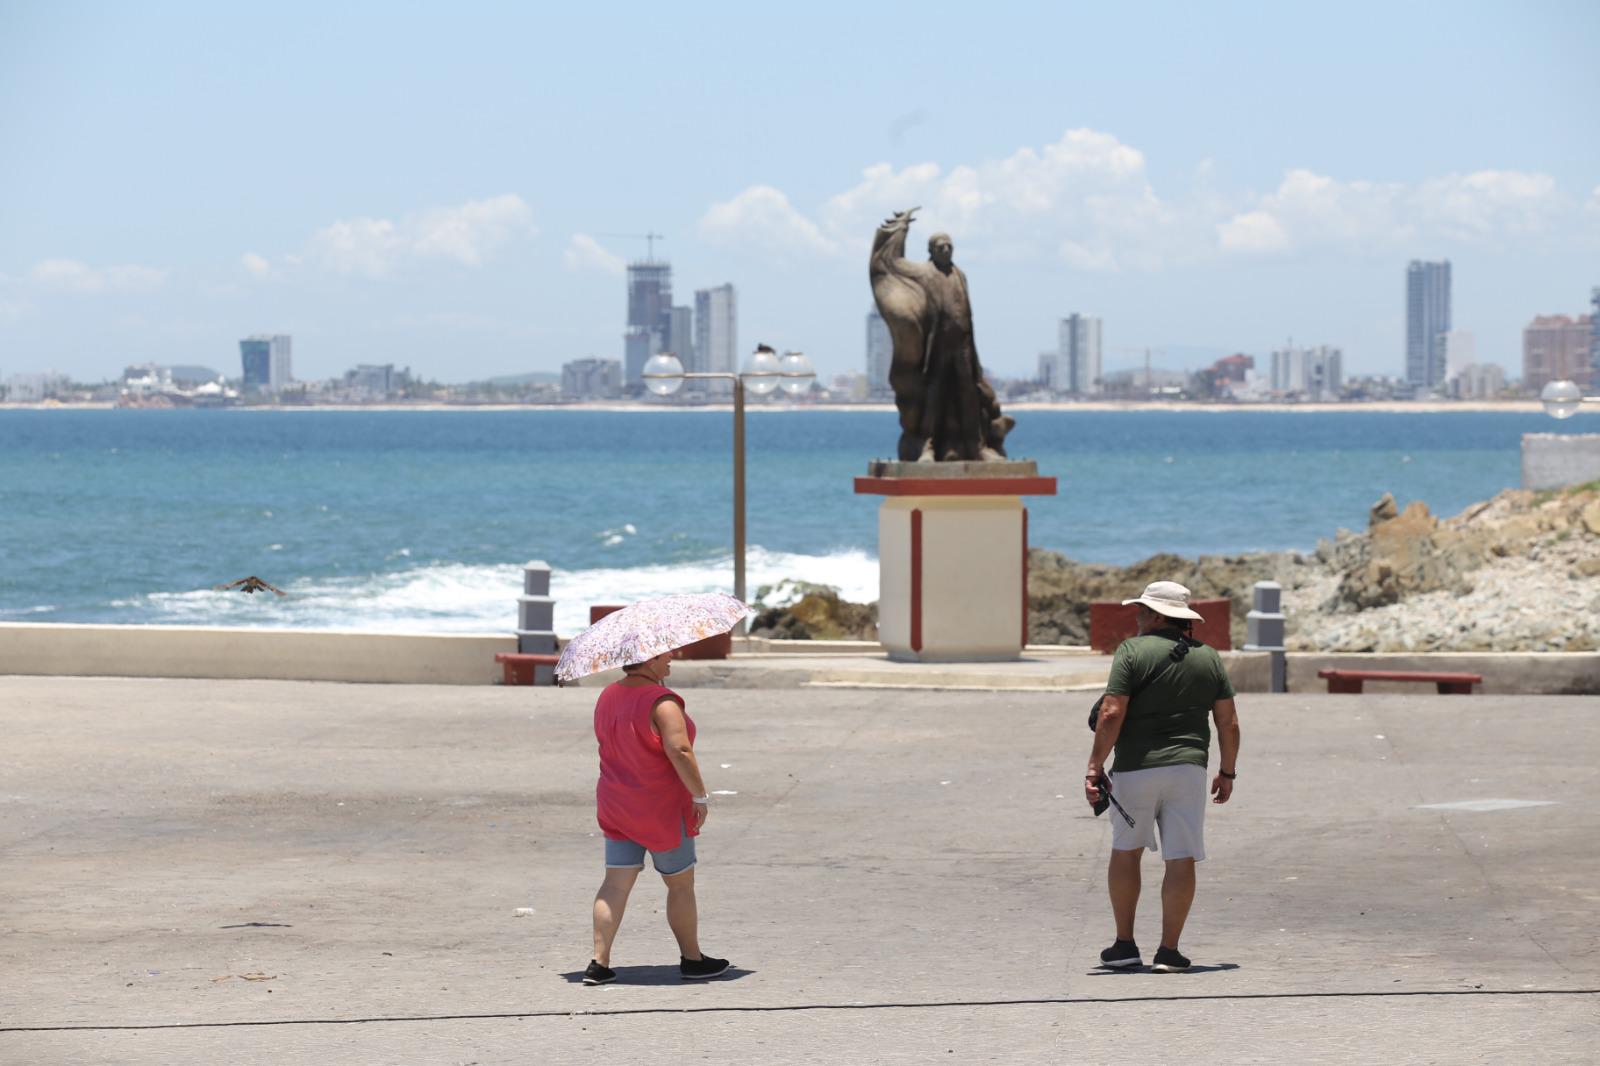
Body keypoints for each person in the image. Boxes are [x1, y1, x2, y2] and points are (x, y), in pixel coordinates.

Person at [1084, 581, 1241, 973]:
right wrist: (1227, 771)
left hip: (1136, 768)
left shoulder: (1132, 651)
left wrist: (1094, 765)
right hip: (1189, 770)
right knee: (1181, 857)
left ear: (1156, 616)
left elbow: (1111, 712)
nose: (1136, 617)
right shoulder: (1209, 658)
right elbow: (1229, 723)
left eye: (1141, 611)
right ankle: (1169, 952)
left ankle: (1124, 946)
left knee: (1126, 851)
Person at [583, 649, 729, 985]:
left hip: (617, 803)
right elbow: (679, 750)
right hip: (660, 807)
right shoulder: (662, 701)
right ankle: (692, 959)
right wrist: (699, 795)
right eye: (664, 656)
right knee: (679, 884)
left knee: (615, 884)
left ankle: (598, 963)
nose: (670, 660)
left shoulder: (608, 696)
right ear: (649, 661)